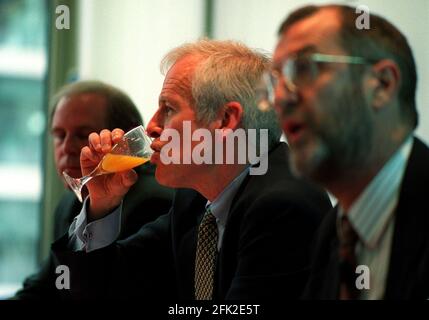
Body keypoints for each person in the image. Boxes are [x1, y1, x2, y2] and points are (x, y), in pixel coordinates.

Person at [51, 39, 332, 300]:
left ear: (224, 120)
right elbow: (105, 289)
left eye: (169, 109)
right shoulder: (195, 199)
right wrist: (102, 205)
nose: (151, 126)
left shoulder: (283, 206)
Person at [272, 4, 429, 299]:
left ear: (382, 85)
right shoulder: (333, 232)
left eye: (303, 68)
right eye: (275, 80)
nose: (281, 97)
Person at [14, 81, 174, 299]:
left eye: (82, 135)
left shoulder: (153, 200)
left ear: (123, 138)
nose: (67, 147)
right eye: (59, 135)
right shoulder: (69, 203)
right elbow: (47, 286)